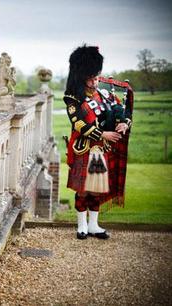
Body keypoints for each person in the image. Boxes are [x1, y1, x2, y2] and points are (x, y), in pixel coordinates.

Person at [63, 45, 133, 240]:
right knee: (83, 189)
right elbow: (78, 124)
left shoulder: (104, 95)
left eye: (96, 77)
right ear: (81, 75)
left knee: (96, 189)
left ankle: (93, 225)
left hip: (101, 151)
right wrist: (104, 135)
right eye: (91, 78)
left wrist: (124, 124)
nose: (95, 82)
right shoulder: (72, 98)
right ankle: (81, 225)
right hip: (84, 150)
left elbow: (123, 111)